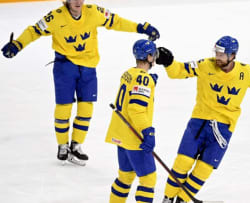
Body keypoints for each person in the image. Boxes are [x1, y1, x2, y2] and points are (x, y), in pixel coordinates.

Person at [1, 0, 160, 164]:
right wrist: (17, 44)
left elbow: (116, 21)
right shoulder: (55, 17)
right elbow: (34, 30)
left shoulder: (93, 12)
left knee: (86, 107)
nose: (78, 1)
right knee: (64, 106)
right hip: (65, 65)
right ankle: (62, 145)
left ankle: (76, 145)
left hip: (88, 67)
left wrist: (140, 27)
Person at [155, 36, 250, 203]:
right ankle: (167, 199)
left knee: (204, 169)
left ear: (233, 55)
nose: (217, 57)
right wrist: (168, 62)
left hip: (224, 128)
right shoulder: (205, 65)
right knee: (183, 162)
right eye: (216, 52)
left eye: (222, 55)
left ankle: (182, 200)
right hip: (199, 122)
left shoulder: (246, 73)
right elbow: (178, 71)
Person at [105, 39, 159, 203]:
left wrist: (149, 81)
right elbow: (136, 109)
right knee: (148, 179)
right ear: (149, 57)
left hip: (121, 135)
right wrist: (147, 131)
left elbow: (131, 92)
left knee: (126, 177)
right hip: (135, 137)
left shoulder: (129, 73)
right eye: (153, 55)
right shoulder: (144, 80)